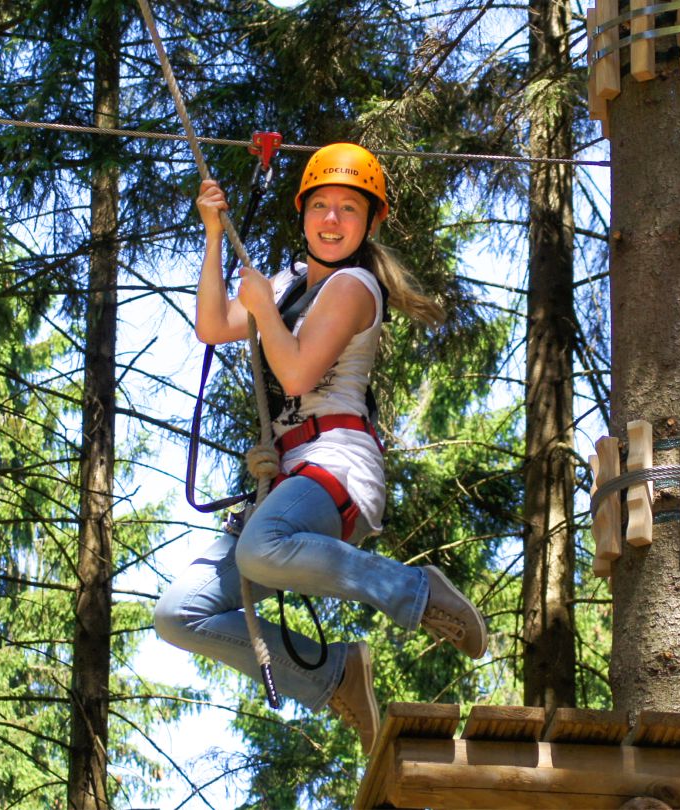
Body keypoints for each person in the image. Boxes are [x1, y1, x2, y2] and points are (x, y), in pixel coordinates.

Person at [153, 143, 488, 753]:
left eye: (349, 210)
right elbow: (211, 327)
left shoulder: (354, 287)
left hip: (336, 459)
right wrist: (210, 236)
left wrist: (260, 309)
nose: (332, 220)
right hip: (290, 475)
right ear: (302, 213)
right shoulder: (282, 284)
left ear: (369, 223)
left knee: (260, 550)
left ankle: (414, 592)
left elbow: (300, 375)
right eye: (322, 206)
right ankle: (332, 675)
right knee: (180, 614)